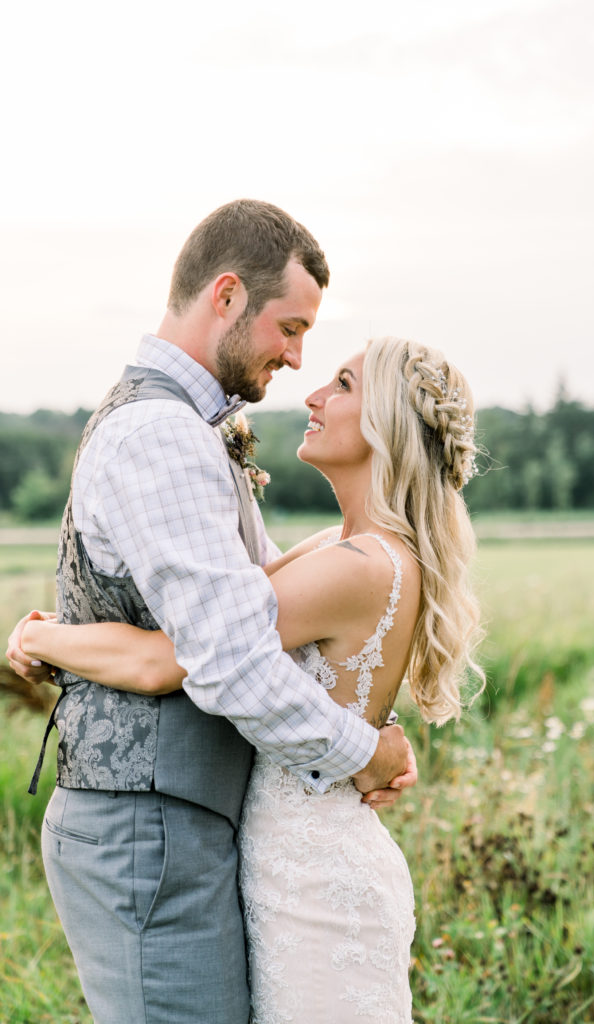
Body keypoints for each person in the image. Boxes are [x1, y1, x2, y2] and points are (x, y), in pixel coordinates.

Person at [5, 201, 415, 1024]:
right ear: (225, 296)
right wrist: (357, 750)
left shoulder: (194, 428)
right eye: (289, 328)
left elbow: (245, 603)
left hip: (174, 822)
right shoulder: (163, 433)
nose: (297, 359)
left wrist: (53, 636)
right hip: (143, 827)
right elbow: (229, 658)